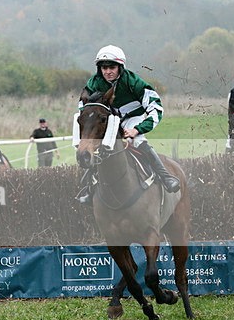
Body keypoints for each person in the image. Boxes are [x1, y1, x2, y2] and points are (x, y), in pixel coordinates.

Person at [77, 45, 180, 205]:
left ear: (120, 67)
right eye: (104, 68)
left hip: (133, 118)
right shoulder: (93, 83)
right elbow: (83, 109)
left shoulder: (134, 82)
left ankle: (165, 176)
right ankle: (89, 188)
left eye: (112, 67)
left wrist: (138, 129)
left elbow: (156, 109)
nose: (107, 71)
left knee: (138, 141)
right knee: (98, 147)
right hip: (109, 120)